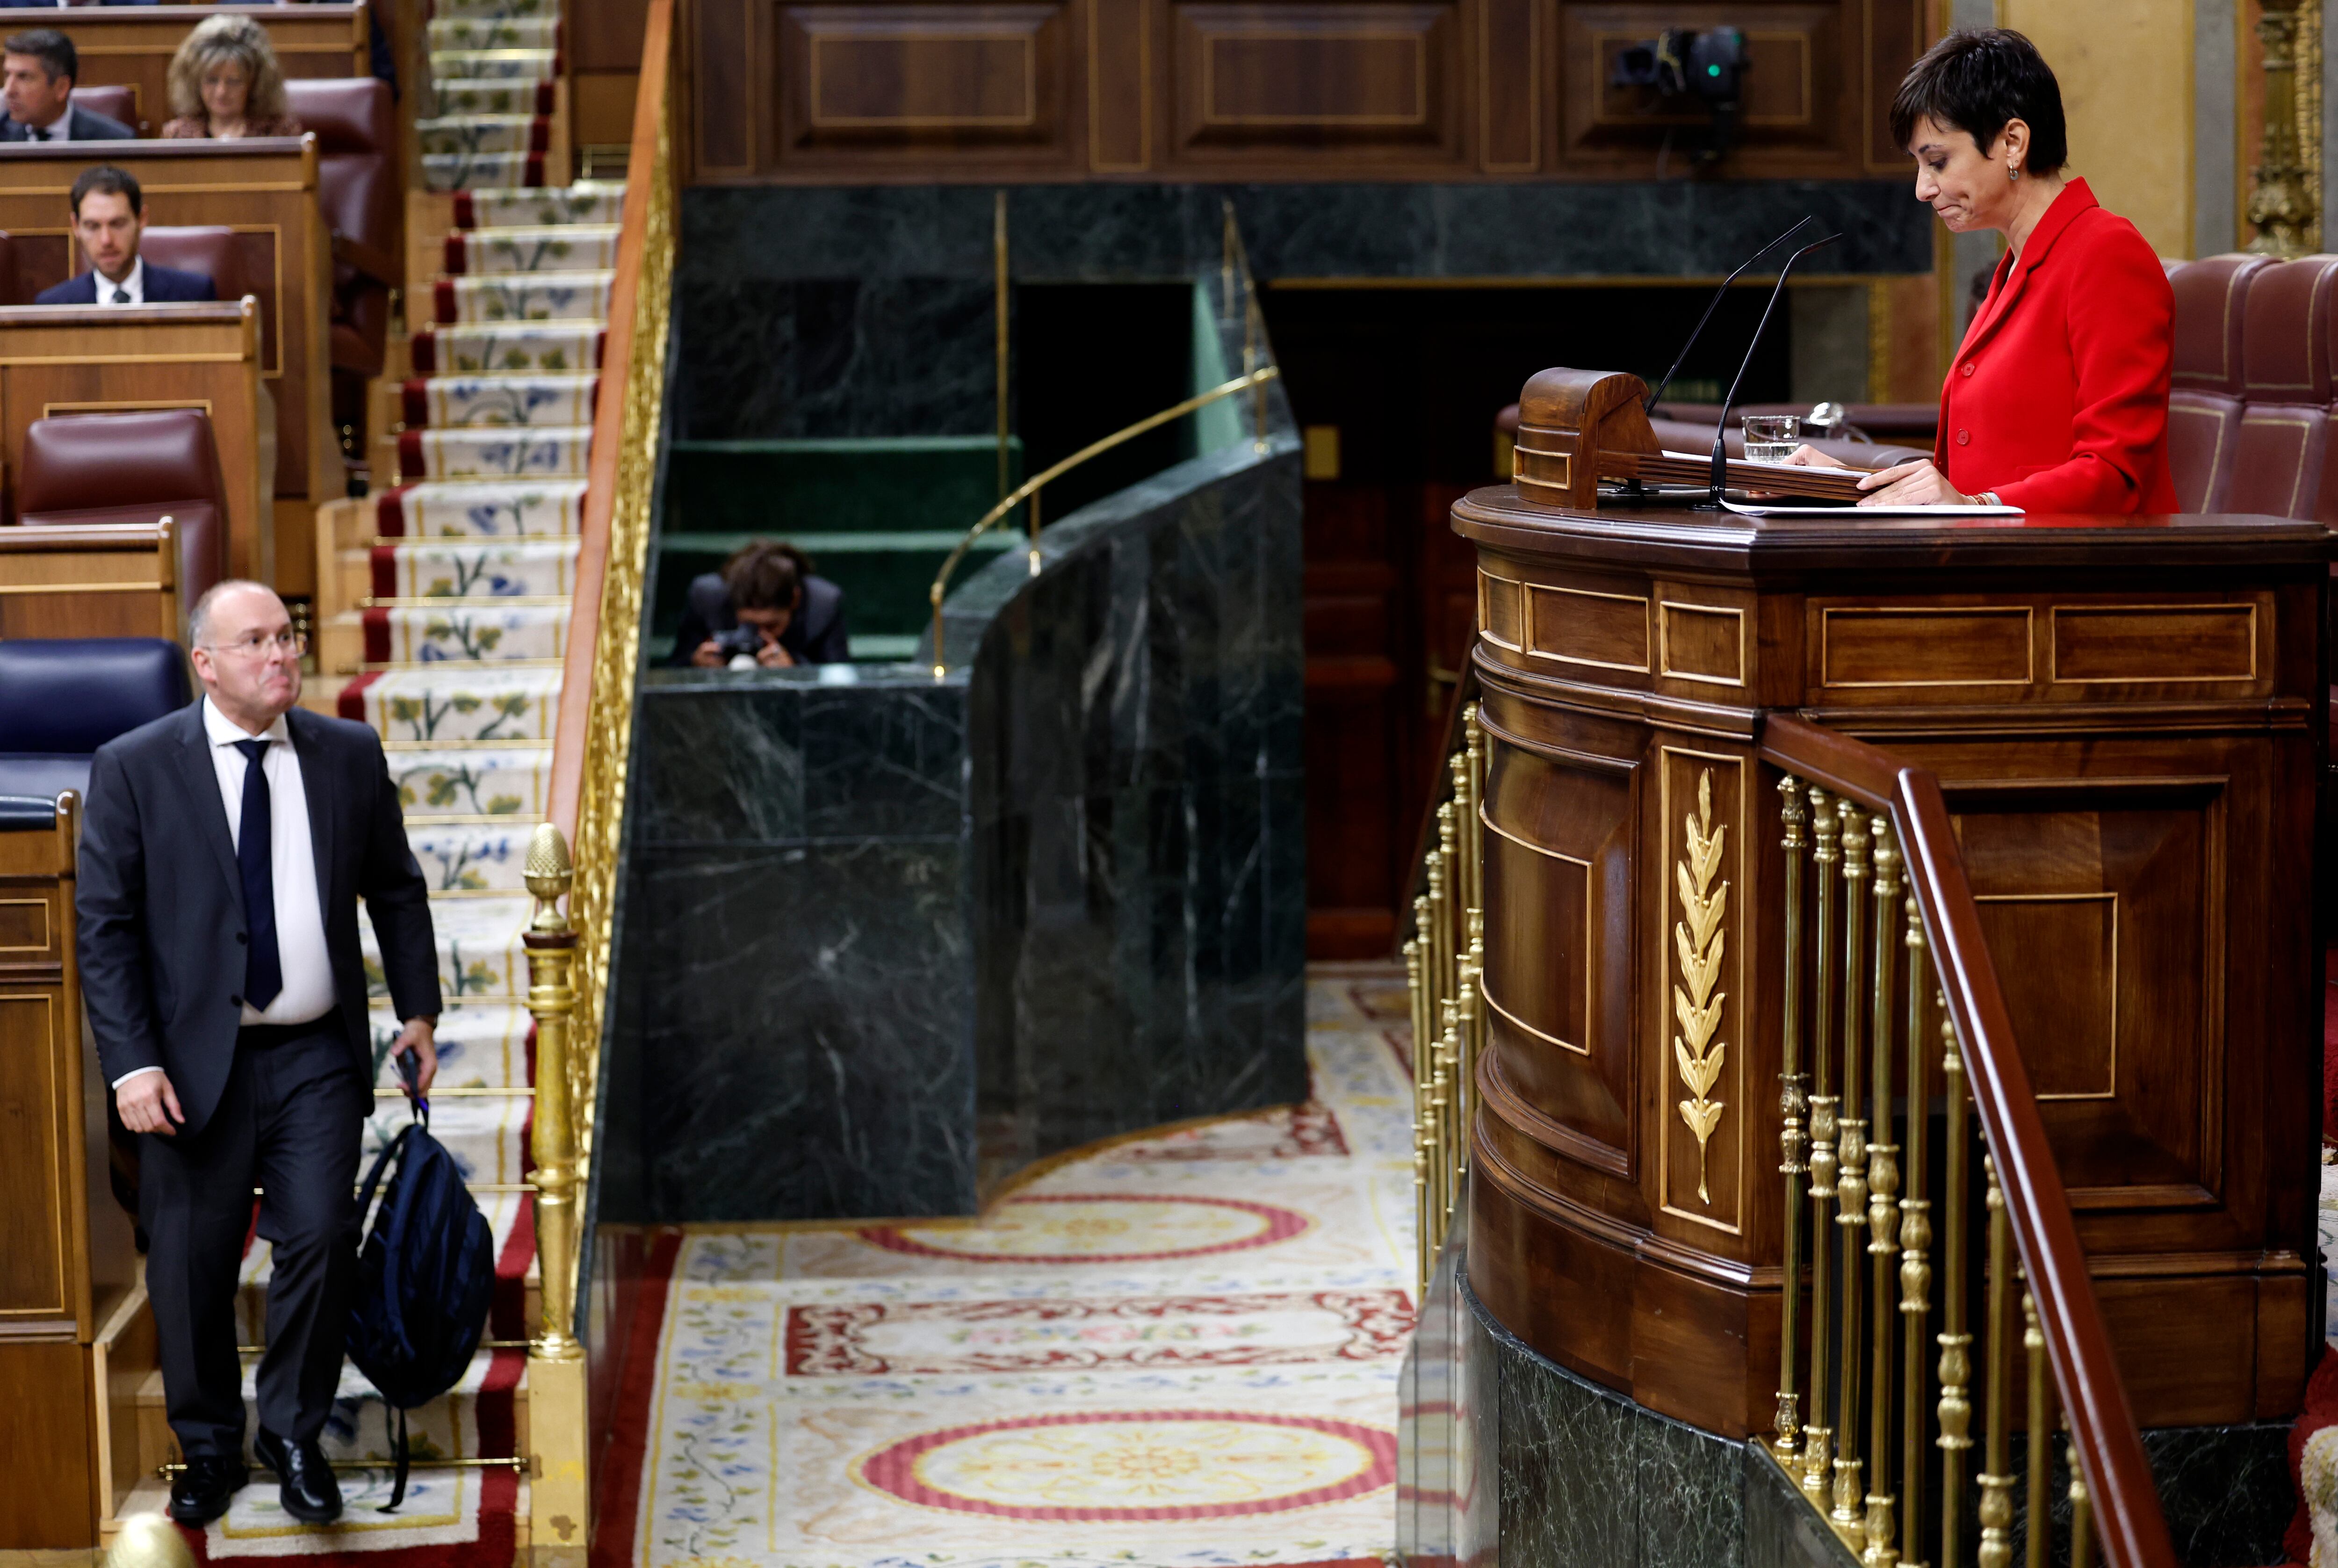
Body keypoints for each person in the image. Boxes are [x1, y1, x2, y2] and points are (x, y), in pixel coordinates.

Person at [77, 580, 441, 1528]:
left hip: (315, 1050)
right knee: (191, 1263)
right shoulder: (136, 765)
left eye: (287, 636)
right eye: (254, 641)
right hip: (191, 1062)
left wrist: (418, 1012)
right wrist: (130, 1064)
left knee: (320, 1233)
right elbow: (106, 930)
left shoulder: (347, 754)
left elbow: (396, 889)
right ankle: (207, 1445)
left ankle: (291, 1429)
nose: (280, 654)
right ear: (204, 661)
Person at [1787, 29, 2179, 513]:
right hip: (1997, 567)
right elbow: (1964, 484)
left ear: (2012, 142)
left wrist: (1978, 503)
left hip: (2087, 577)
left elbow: (2115, 473)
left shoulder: (2105, 254)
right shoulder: (2014, 266)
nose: (1921, 190)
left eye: (1937, 162)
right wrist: (1846, 484)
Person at [36, 165, 218, 305]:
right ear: (76, 226)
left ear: (142, 219)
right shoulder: (53, 306)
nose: (106, 240)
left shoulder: (194, 295)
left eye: (117, 224)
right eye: (93, 227)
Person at [671, 538, 852, 668]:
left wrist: (796, 672)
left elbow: (838, 682)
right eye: (750, 625)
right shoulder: (706, 598)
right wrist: (695, 665)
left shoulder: (823, 605)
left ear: (795, 600)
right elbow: (675, 668)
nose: (760, 635)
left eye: (772, 626)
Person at [161, 14, 300, 140]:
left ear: (255, 83)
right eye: (212, 80)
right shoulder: (177, 135)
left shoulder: (279, 133)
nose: (221, 92)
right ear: (195, 82)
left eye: (234, 81)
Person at [0, 29, 131, 140]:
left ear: (61, 88)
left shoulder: (113, 141)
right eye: (7, 75)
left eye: (24, 77)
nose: (9, 90)